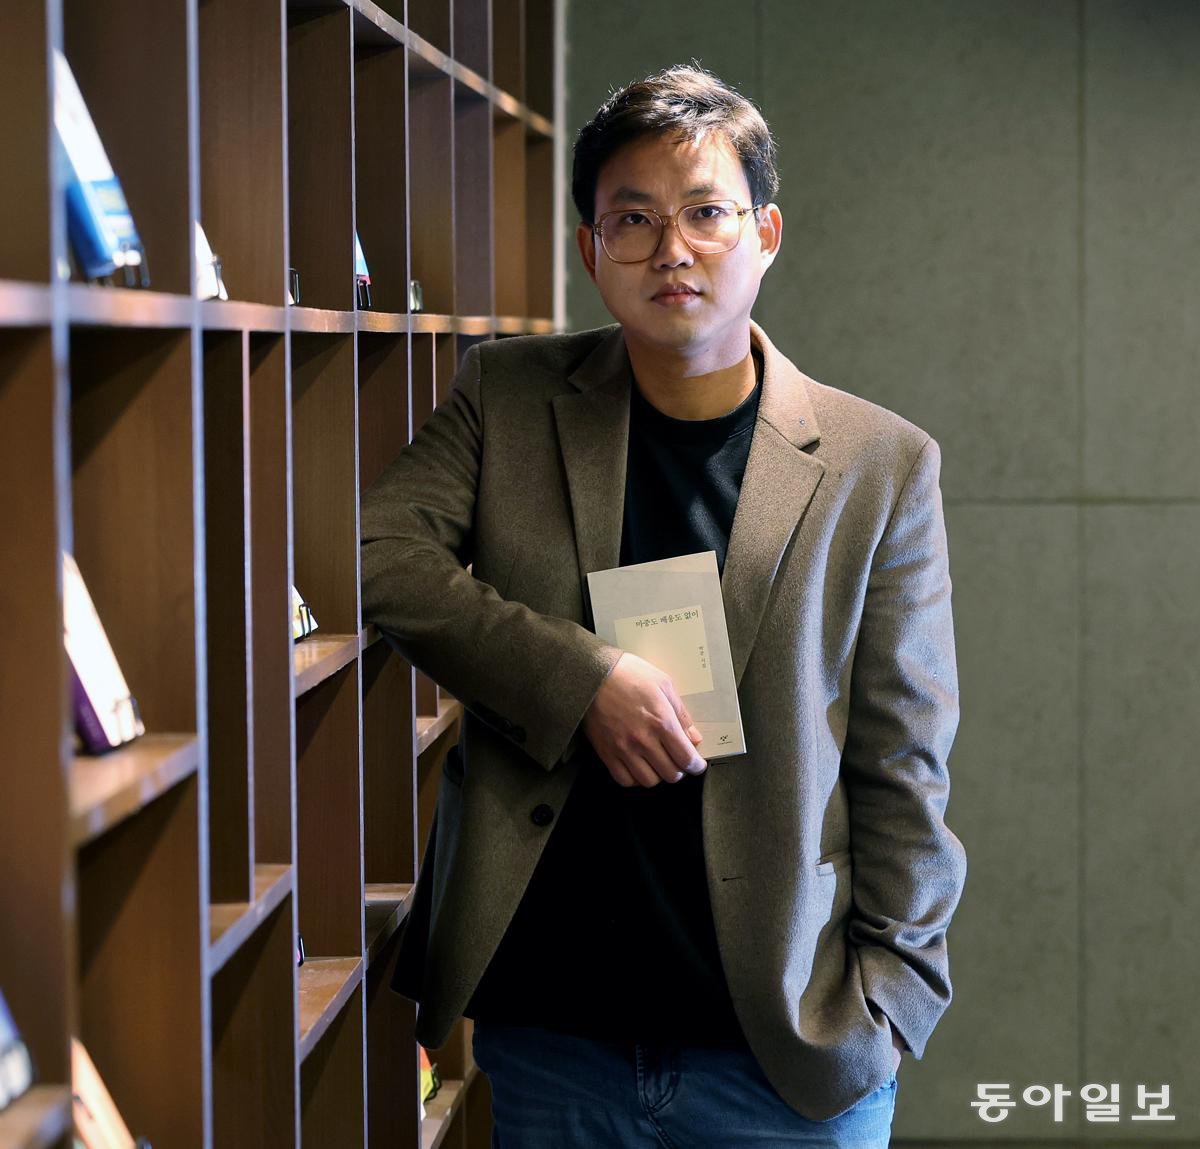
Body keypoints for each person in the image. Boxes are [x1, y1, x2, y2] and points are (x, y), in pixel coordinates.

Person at [360, 63, 967, 1148]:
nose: (671, 249)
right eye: (632, 219)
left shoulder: (877, 464)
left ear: (765, 233)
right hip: (557, 1037)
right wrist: (579, 678)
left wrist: (892, 998)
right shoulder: (508, 396)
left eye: (705, 214)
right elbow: (379, 557)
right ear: (591, 247)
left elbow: (904, 755)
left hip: (786, 1050)